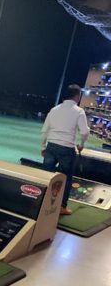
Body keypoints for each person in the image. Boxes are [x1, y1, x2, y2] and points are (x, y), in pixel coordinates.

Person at [41, 84, 90, 215]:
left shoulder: (54, 109)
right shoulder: (79, 111)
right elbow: (84, 132)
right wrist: (81, 144)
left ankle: (39, 202)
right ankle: (62, 207)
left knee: (45, 176)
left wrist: (43, 147)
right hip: (67, 149)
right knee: (66, 178)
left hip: (51, 146)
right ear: (78, 96)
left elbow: (45, 130)